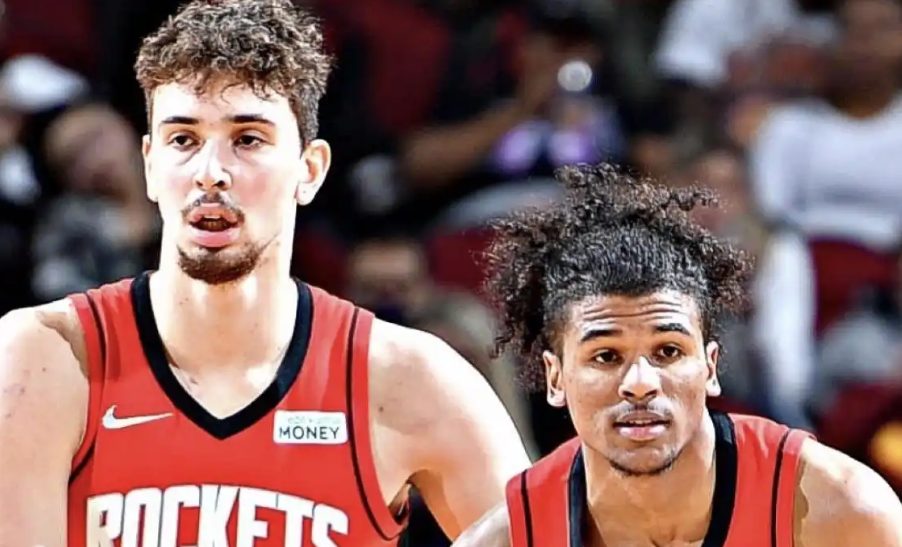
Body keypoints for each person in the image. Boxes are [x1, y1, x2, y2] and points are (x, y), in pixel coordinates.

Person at [0, 1, 531, 546]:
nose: (211, 173)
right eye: (183, 140)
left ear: (310, 169)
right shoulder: (46, 357)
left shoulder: (406, 379)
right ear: (151, 164)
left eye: (247, 139)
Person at [451, 164, 902, 547]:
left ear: (710, 367)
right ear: (555, 378)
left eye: (668, 351)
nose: (640, 383)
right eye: (606, 356)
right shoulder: (508, 538)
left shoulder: (841, 512)